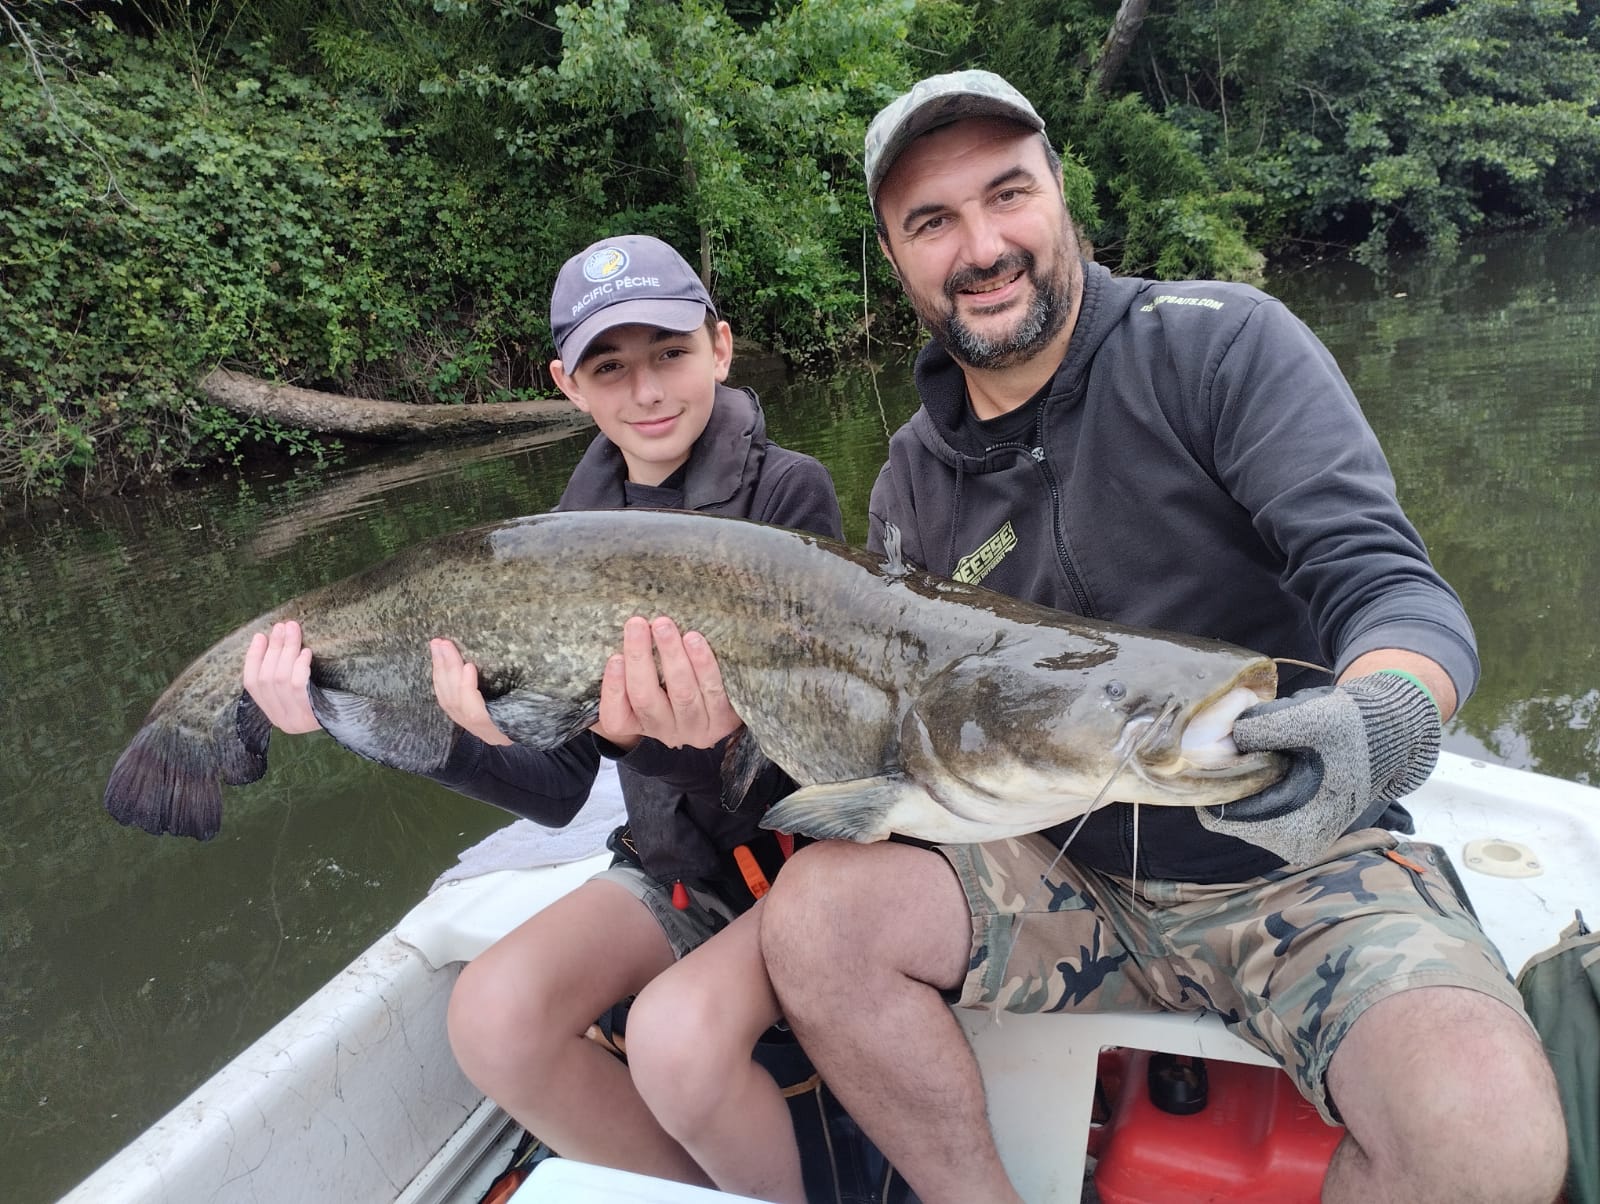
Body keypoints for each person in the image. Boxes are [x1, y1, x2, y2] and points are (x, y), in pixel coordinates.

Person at [637, 71, 1567, 1202]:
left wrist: (1385, 713)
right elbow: (883, 760)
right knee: (816, 923)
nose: (982, 246)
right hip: (1052, 862)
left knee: (1488, 1139)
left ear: (1060, 192)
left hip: (1298, 862)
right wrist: (708, 727)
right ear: (896, 258)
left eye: (1007, 194)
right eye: (932, 222)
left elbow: (1391, 587)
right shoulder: (909, 482)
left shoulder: (1223, 345)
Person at [241, 233, 841, 1204]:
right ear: (567, 385)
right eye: (610, 368)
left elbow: (803, 764)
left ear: (721, 347)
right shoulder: (553, 537)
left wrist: (652, 741)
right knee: (491, 1016)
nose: (647, 390)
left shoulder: (788, 493)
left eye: (671, 353)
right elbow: (561, 789)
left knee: (678, 1043)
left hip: (797, 868)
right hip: (670, 872)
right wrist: (402, 724)